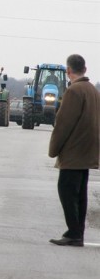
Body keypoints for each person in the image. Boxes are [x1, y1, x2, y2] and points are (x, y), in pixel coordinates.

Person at [48, 54, 100, 247]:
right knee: (80, 194)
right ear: (84, 69)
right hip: (88, 150)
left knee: (66, 190)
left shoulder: (74, 91)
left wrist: (53, 150)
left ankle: (74, 232)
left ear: (68, 71)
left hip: (74, 151)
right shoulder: (93, 91)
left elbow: (63, 124)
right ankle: (78, 233)